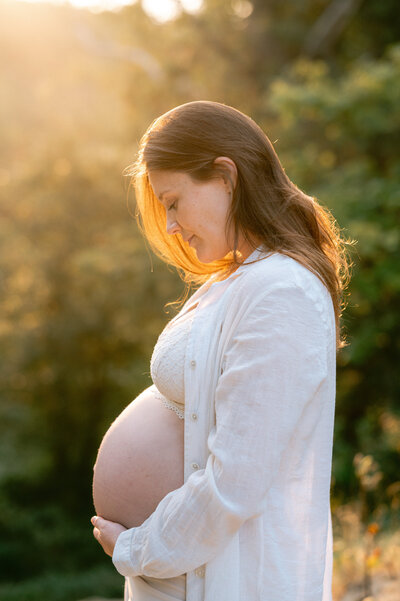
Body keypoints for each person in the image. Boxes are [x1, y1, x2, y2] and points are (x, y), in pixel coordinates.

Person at [90, 100, 352, 601]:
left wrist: (140, 548)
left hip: (217, 575)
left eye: (173, 201)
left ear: (226, 177)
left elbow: (237, 479)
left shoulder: (283, 291)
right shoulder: (238, 278)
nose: (169, 226)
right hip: (186, 573)